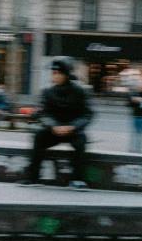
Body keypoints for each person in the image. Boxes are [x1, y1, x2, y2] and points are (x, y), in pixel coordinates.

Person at [18, 57, 93, 190]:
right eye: (53, 73)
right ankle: (33, 177)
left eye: (58, 74)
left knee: (81, 142)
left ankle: (77, 179)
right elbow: (43, 113)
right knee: (38, 137)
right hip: (54, 130)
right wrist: (53, 126)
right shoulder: (48, 91)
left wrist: (73, 126)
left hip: (73, 130)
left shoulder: (80, 91)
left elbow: (88, 114)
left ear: (67, 75)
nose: (55, 77)